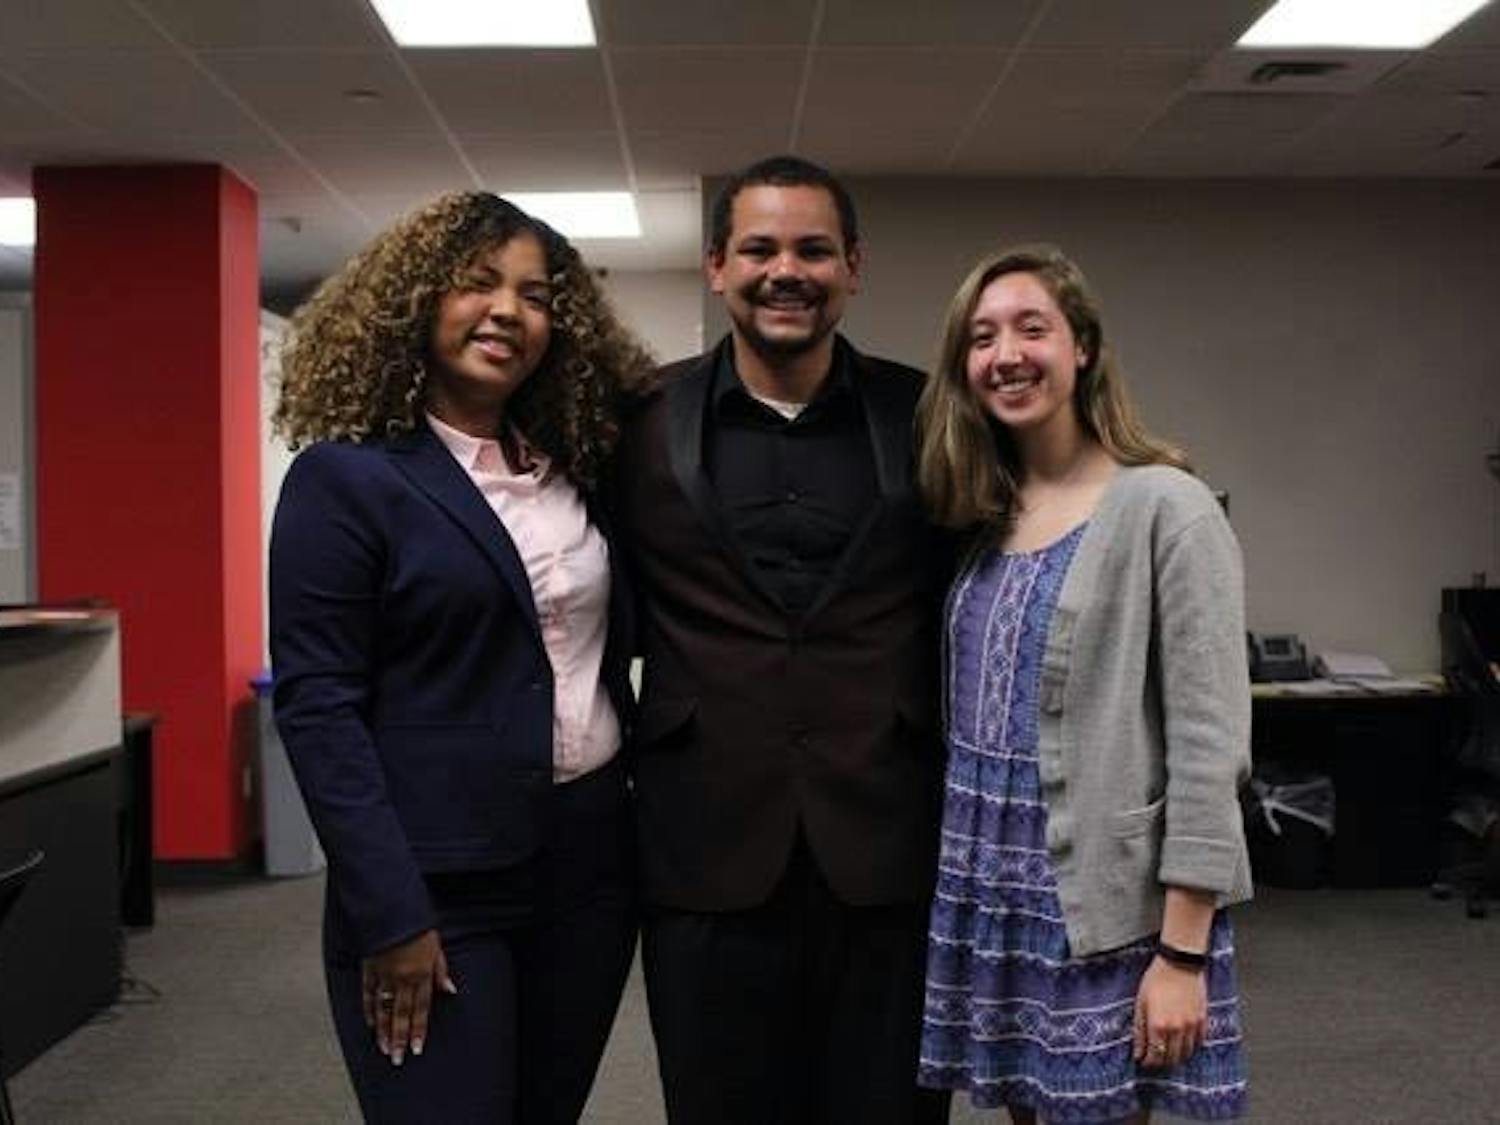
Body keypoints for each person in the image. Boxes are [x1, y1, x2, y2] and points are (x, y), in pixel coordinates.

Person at [269, 191, 650, 1123]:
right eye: (477, 284)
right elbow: (319, 707)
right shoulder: (348, 477)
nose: (508, 312)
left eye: (534, 294)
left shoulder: (578, 470)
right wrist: (389, 913)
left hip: (587, 872)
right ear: (413, 302)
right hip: (436, 885)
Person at [611, 155, 950, 1124]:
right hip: (702, 846)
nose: (785, 269)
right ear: (718, 265)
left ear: (853, 265)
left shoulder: (928, 417)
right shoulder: (637, 424)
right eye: (759, 248)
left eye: (813, 248)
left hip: (886, 843)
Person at [912, 244, 1252, 1122]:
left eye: (1033, 327)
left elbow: (1212, 752)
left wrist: (1182, 953)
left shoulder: (1164, 506)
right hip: (995, 888)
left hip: (1103, 910)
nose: (1007, 354)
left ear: (1084, 346)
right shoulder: (985, 512)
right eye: (982, 337)